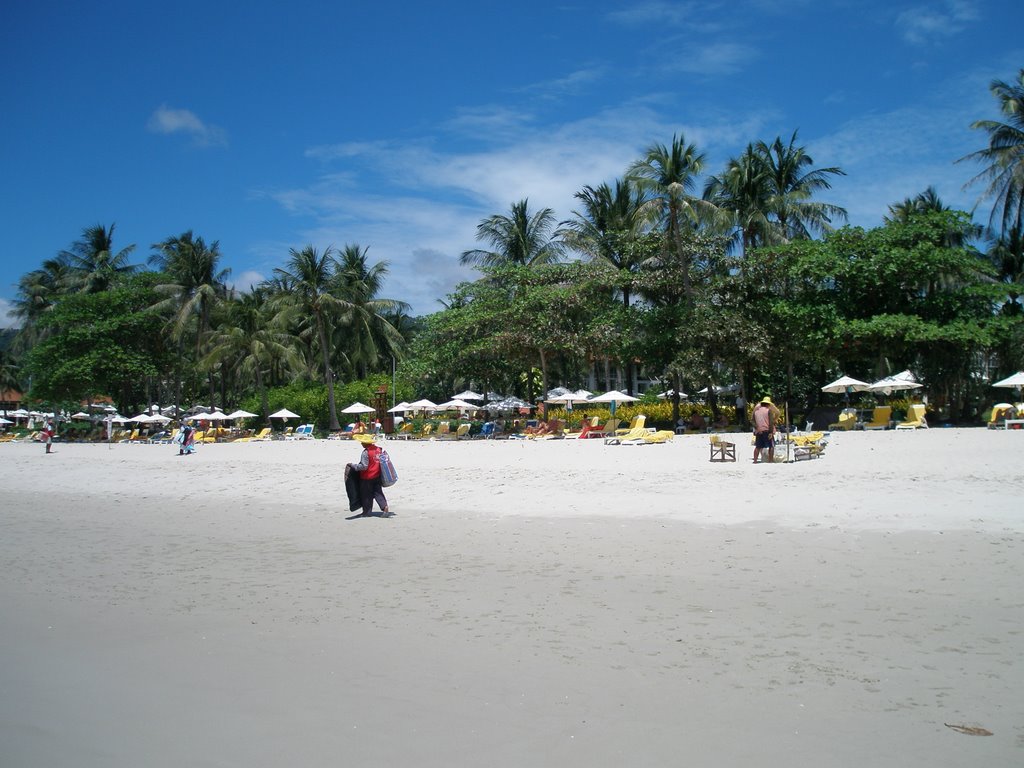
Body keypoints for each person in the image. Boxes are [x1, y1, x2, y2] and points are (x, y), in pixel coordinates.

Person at [348, 433, 391, 517]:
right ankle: (385, 507)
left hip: (367, 477)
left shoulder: (366, 452)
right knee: (378, 493)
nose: (361, 443)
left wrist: (353, 465)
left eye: (362, 442)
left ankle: (367, 512)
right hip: (377, 475)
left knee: (366, 495)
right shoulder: (379, 449)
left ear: (366, 443)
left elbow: (364, 466)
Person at [752, 396, 781, 463]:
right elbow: (770, 422)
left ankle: (755, 461)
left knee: (758, 447)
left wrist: (757, 428)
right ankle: (770, 460)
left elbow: (752, 421)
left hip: (759, 431)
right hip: (767, 430)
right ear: (768, 404)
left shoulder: (756, 411)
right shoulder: (769, 411)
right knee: (771, 446)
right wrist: (771, 432)